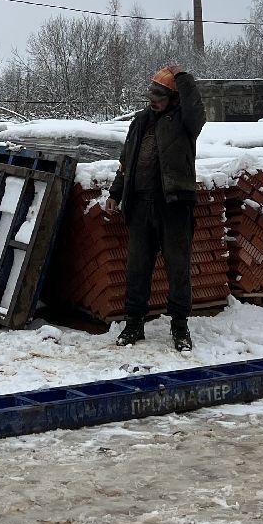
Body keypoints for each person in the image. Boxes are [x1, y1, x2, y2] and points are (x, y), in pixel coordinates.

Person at [109, 66, 206, 352]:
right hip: (140, 206)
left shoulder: (185, 123)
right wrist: (116, 191)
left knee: (178, 270)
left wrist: (183, 78)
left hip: (173, 206)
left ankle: (180, 327)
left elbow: (196, 111)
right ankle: (134, 324)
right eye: (152, 94)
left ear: (174, 98)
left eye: (160, 95)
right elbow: (126, 160)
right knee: (137, 269)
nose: (154, 100)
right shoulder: (140, 121)